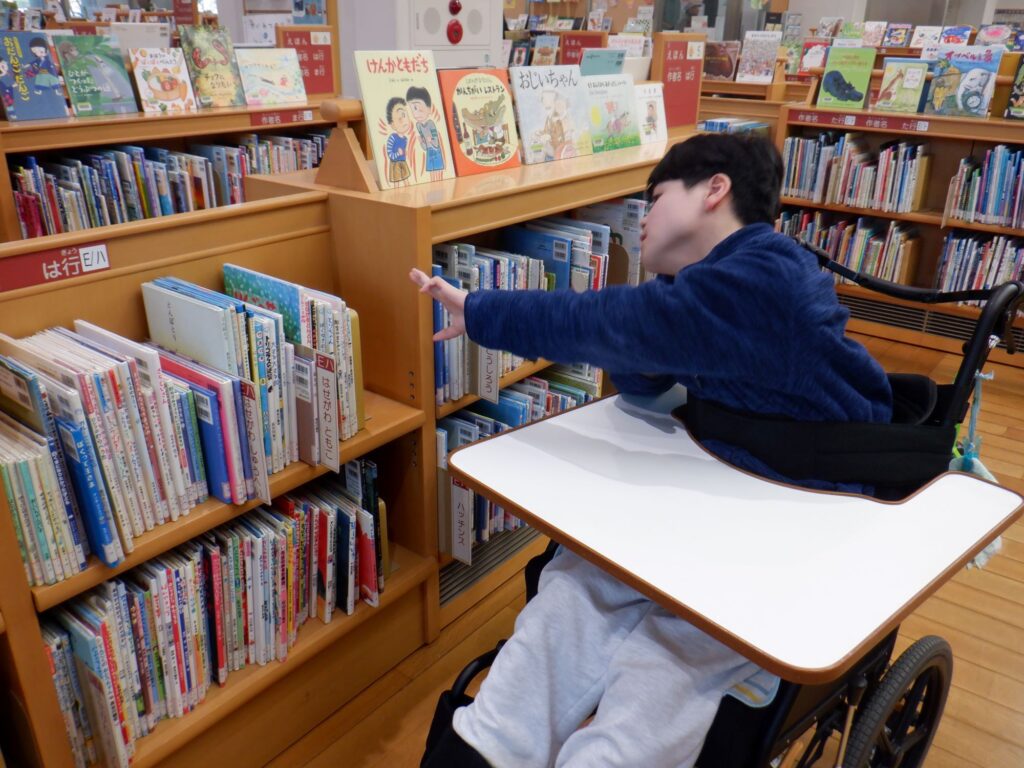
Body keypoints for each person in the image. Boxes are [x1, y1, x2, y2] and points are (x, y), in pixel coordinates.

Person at [412, 133, 893, 768]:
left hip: (796, 518)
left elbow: (611, 323)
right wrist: (658, 297)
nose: (641, 222)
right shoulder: (715, 287)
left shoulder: (764, 276)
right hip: (719, 496)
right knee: (562, 610)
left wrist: (481, 310)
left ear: (714, 189)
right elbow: (641, 361)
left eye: (655, 199)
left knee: (657, 672)